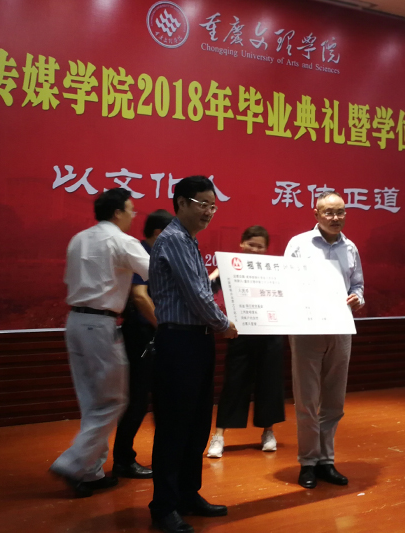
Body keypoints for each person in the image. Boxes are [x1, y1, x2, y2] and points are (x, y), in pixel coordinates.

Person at [148, 176, 238, 533]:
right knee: (174, 426)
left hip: (197, 342)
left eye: (213, 206)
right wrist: (224, 324)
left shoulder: (188, 240)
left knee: (197, 423)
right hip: (178, 343)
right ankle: (164, 507)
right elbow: (197, 298)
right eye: (203, 204)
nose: (209, 212)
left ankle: (188, 494)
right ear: (182, 202)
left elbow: (200, 290)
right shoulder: (173, 239)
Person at [49, 188, 150, 498]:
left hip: (75, 322)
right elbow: (156, 272)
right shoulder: (122, 241)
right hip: (100, 324)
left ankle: (91, 472)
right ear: (117, 212)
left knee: (92, 401)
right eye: (131, 210)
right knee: (113, 401)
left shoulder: (78, 239)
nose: (133, 215)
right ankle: (72, 463)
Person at [284, 191, 364, 489]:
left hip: (340, 329)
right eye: (329, 212)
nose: (335, 218)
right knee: (307, 399)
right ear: (316, 214)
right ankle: (307, 462)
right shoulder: (299, 244)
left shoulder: (350, 248)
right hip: (306, 329)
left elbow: (357, 284)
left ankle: (326, 461)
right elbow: (285, 282)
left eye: (340, 212)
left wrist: (358, 297)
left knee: (333, 400)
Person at [206, 226, 286, 458]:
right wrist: (217, 274)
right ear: (242, 243)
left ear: (266, 248)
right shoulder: (229, 266)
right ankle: (218, 436)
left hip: (270, 333)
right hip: (240, 333)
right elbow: (206, 290)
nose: (255, 250)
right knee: (233, 383)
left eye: (260, 246)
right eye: (251, 244)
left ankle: (268, 432)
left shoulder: (273, 269)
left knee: (269, 383)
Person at [111, 209, 174, 479]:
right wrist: (164, 325)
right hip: (141, 334)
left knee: (157, 397)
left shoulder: (158, 255)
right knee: (136, 400)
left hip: (153, 334)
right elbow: (139, 296)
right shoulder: (140, 253)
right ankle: (123, 460)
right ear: (159, 233)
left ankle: (161, 456)